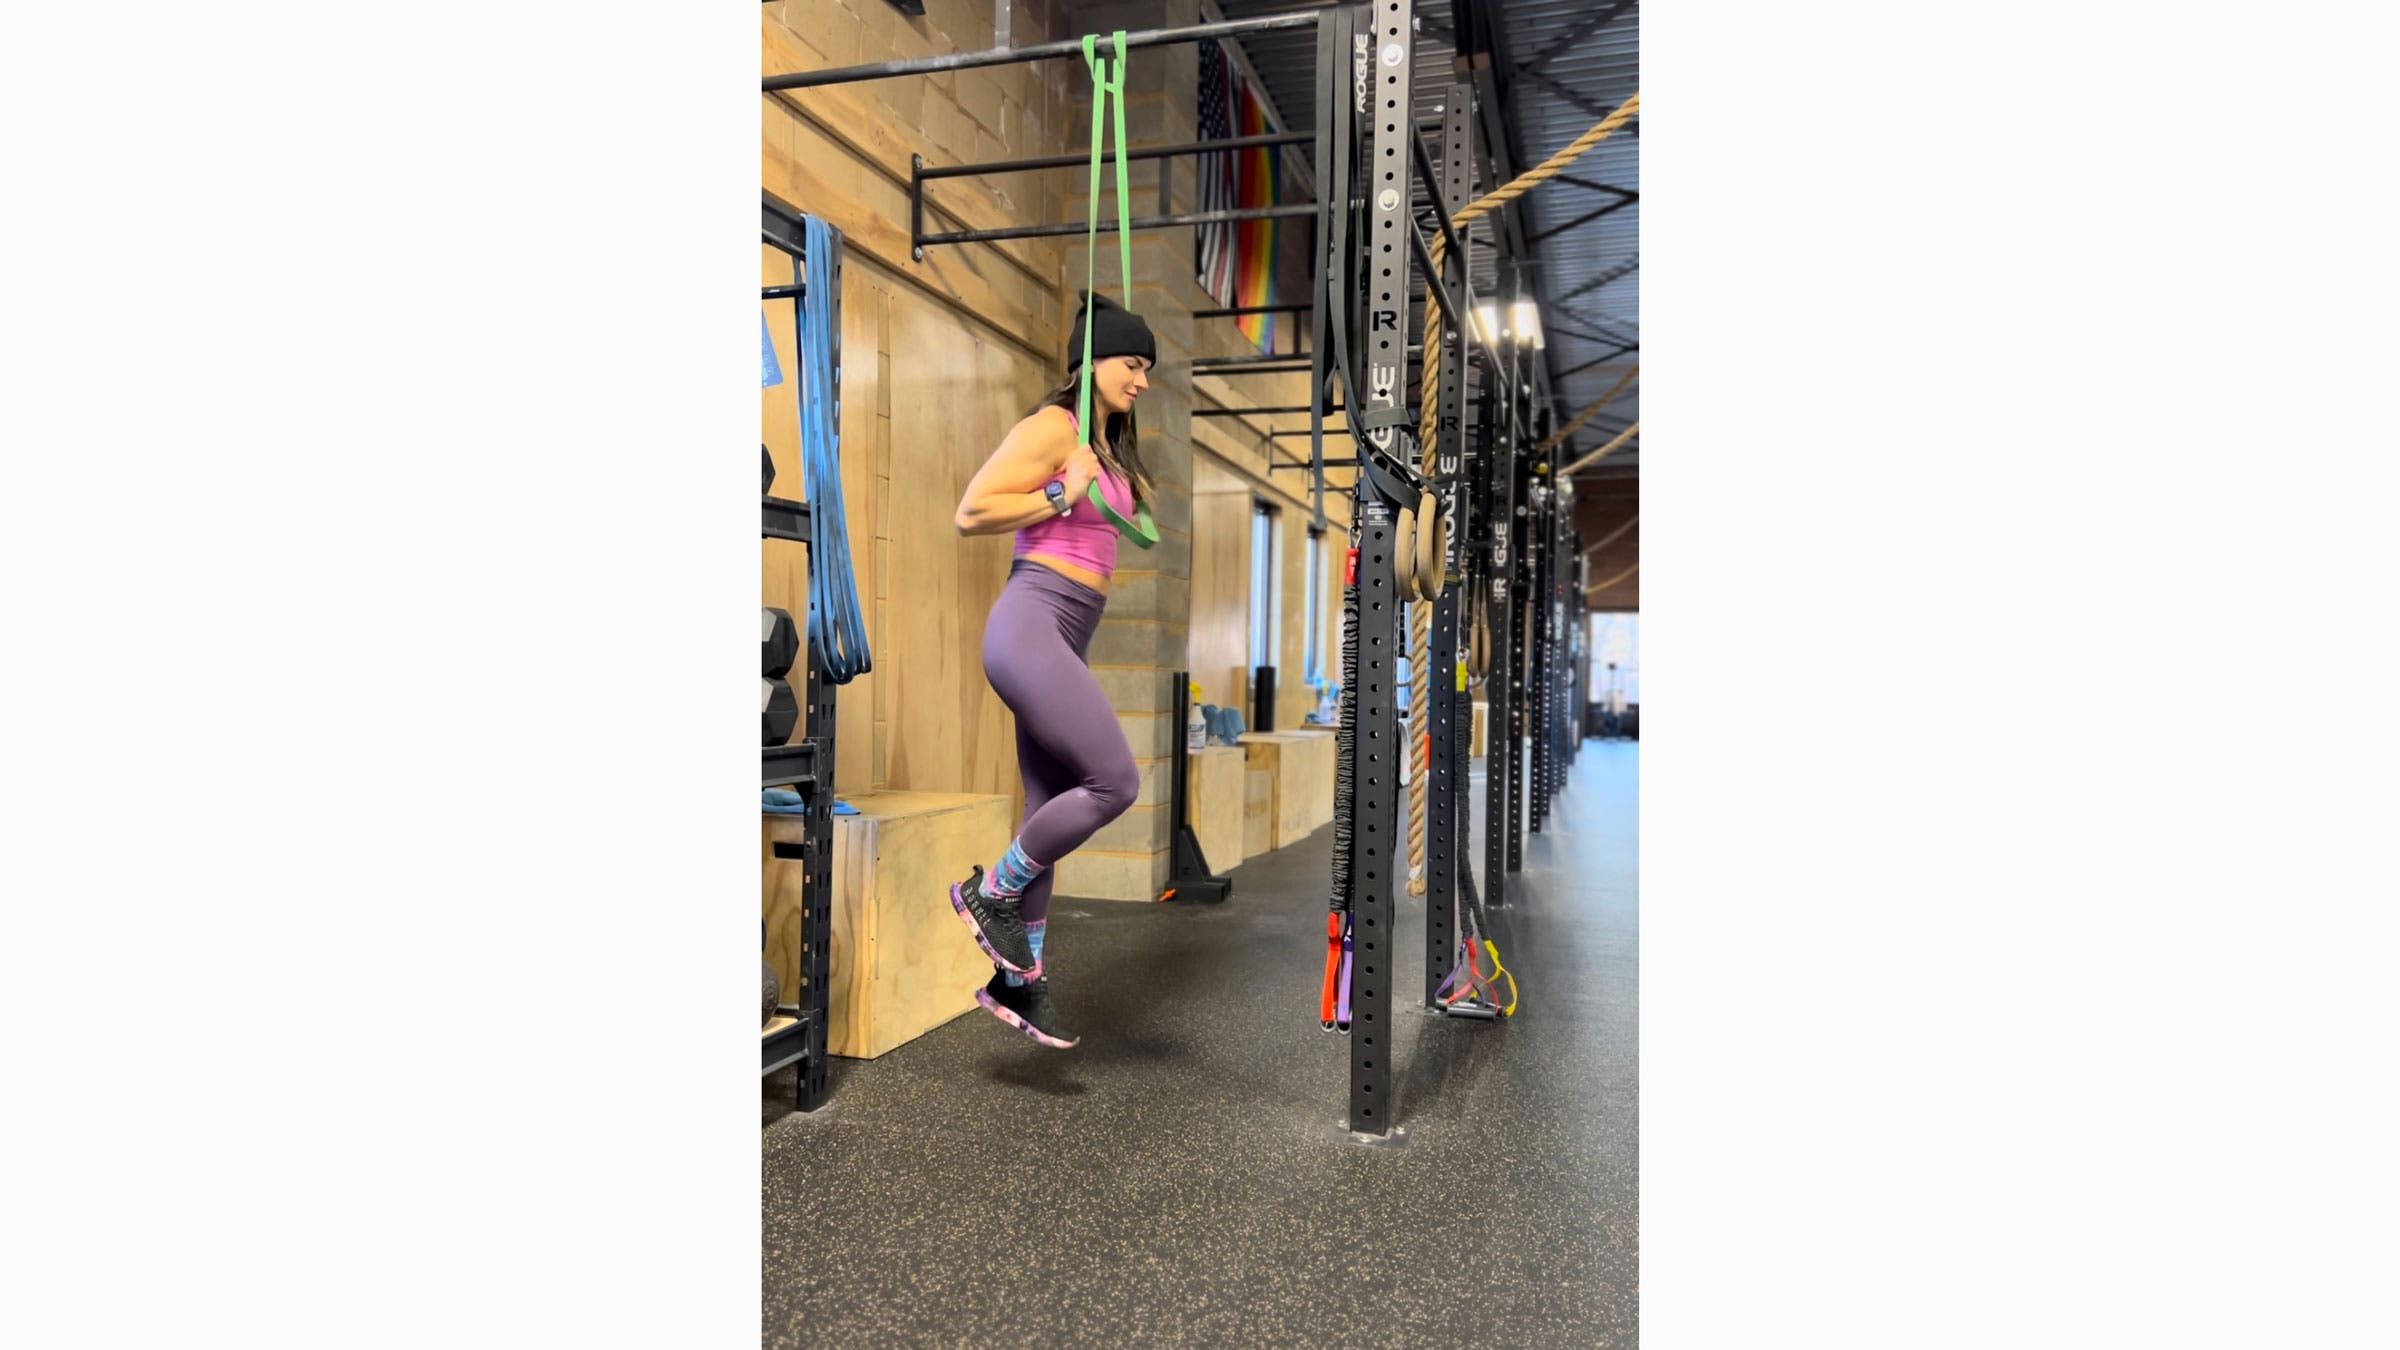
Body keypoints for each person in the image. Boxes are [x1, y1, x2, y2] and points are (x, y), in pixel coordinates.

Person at [947, 295, 1157, 1049]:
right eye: (1131, 364)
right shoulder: (1054, 428)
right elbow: (972, 511)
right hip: (1032, 623)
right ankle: (991, 890)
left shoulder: (1103, 444)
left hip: (1069, 632)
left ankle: (1020, 979)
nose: (1141, 381)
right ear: (1092, 362)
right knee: (1114, 783)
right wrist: (1061, 490)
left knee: (1050, 802)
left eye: (1147, 369)